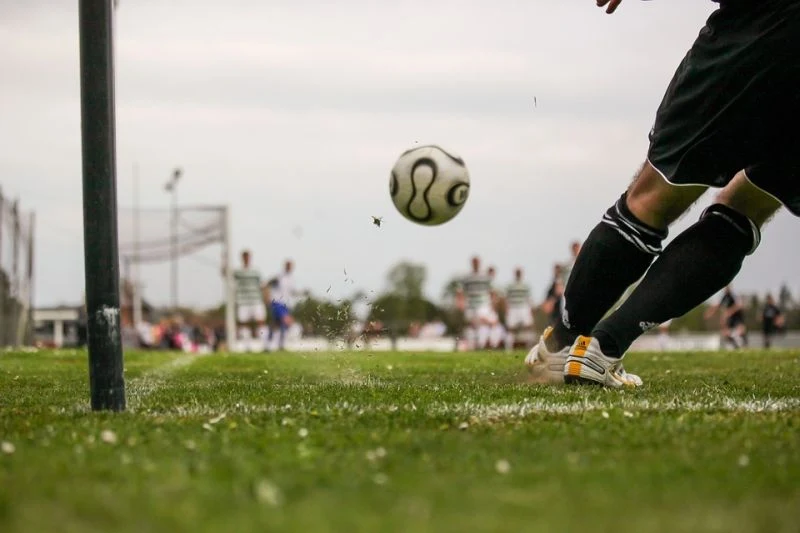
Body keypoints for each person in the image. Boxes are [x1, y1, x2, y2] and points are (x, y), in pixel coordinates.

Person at [527, 0, 799, 387]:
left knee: (651, 199)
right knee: (747, 207)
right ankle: (603, 348)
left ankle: (562, 347)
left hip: (761, 24)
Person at [232, 249, 268, 352]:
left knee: (261, 322)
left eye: (248, 257)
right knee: (244, 323)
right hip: (243, 301)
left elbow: (262, 285)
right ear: (242, 258)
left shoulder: (256, 271)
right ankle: (247, 347)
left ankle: (265, 346)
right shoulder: (238, 272)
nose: (246, 259)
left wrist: (266, 297)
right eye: (245, 257)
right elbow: (226, 275)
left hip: (256, 300)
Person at [454, 256, 494, 350]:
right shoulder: (467, 277)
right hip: (470, 305)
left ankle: (481, 344)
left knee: (482, 322)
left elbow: (491, 290)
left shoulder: (485, 276)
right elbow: (460, 291)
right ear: (472, 263)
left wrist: (492, 303)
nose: (475, 264)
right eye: (474, 262)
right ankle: (472, 345)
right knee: (471, 324)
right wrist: (460, 302)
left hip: (483, 304)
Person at [267, 259, 298, 351]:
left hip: (286, 304)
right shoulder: (279, 276)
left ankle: (275, 344)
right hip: (277, 302)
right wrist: (267, 296)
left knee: (278, 324)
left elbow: (292, 292)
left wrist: (302, 292)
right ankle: (276, 344)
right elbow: (268, 283)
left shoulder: (291, 278)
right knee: (287, 321)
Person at [504, 267, 535, 351]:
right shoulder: (510, 286)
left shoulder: (526, 286)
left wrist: (530, 310)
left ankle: (530, 347)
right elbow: (507, 298)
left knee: (528, 327)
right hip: (513, 307)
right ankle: (508, 349)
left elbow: (529, 298)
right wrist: (507, 309)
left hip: (524, 307)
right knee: (510, 328)